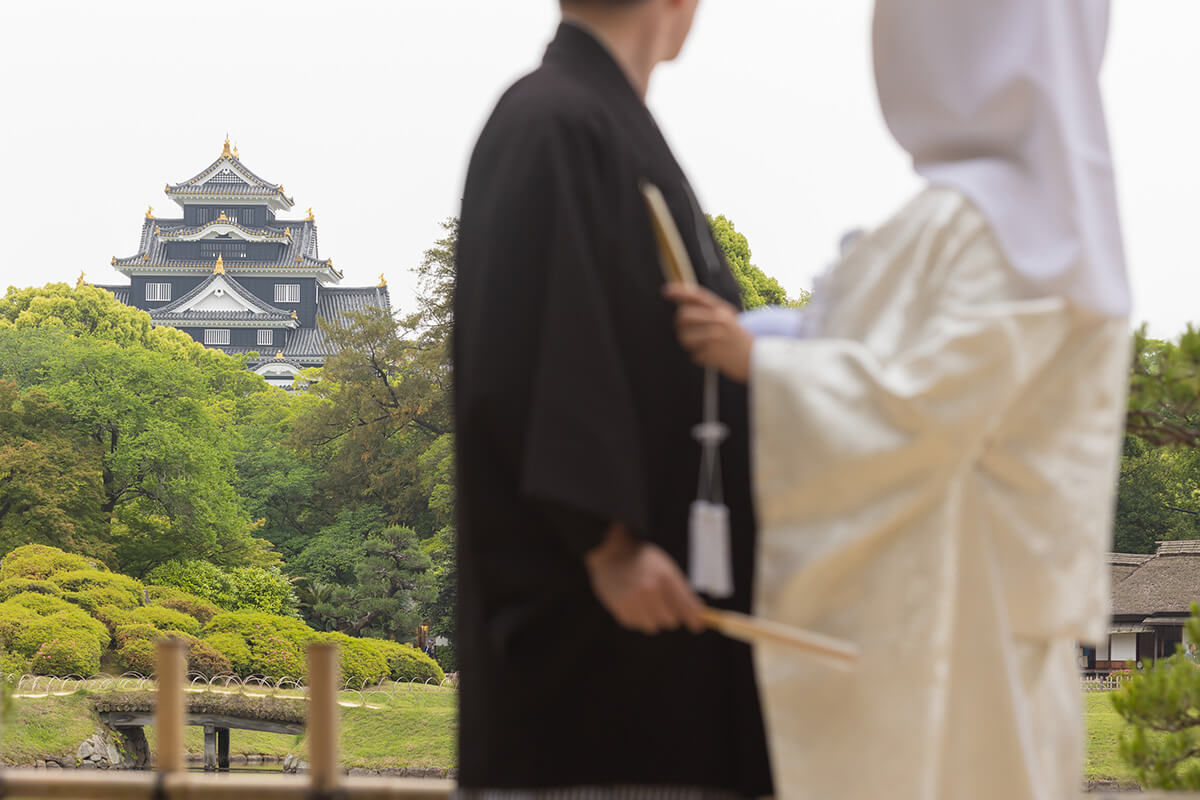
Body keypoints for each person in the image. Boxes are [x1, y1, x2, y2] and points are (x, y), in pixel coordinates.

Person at [665, 1, 1129, 798]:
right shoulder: (1035, 223)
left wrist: (757, 361)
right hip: (976, 611)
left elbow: (927, 406)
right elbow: (870, 349)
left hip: (960, 622)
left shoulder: (990, 227)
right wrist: (774, 339)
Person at [453, 1, 773, 797]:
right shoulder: (550, 120)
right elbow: (522, 355)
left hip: (665, 640)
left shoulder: (602, 123)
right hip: (591, 640)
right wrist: (607, 543)